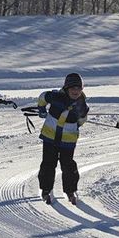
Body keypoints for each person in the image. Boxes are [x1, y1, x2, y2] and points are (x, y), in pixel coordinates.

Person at [37, 72, 89, 205]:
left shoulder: (82, 105)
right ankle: (46, 189)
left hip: (68, 141)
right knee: (48, 163)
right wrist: (42, 108)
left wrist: (76, 123)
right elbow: (43, 97)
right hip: (50, 137)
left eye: (78, 88)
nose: (76, 91)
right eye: (73, 88)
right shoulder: (56, 97)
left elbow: (82, 119)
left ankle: (70, 190)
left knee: (68, 165)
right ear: (66, 88)